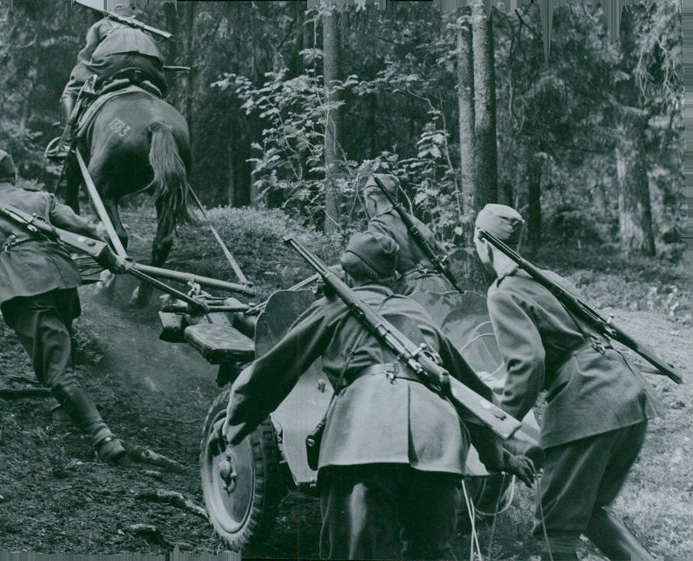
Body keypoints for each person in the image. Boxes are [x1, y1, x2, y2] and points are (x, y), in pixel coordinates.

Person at [210, 231, 535, 560]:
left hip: (363, 440)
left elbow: (277, 367)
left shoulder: (334, 307)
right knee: (431, 553)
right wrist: (498, 457)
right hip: (437, 444)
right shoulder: (417, 312)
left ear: (347, 272)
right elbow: (469, 391)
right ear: (394, 276)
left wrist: (235, 419)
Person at [473, 203, 661, 561]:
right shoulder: (549, 278)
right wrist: (500, 382)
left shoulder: (502, 292)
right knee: (589, 511)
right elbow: (568, 340)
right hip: (626, 392)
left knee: (554, 529)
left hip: (588, 403)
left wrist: (498, 424)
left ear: (483, 243)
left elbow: (529, 364)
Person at [0, 149, 126, 464]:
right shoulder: (41, 198)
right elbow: (83, 228)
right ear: (14, 178)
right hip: (63, 278)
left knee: (56, 368)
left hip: (27, 285)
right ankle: (64, 409)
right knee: (62, 349)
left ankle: (103, 438)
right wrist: (112, 255)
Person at [53, 0, 167, 157]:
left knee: (71, 90)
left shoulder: (101, 24)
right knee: (160, 93)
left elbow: (87, 56)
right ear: (131, 11)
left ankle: (66, 142)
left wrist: (83, 71)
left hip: (113, 60)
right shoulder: (142, 28)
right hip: (149, 64)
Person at [363, 173, 453, 296]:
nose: (367, 207)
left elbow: (380, 271)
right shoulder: (415, 222)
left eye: (366, 201)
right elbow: (444, 256)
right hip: (440, 286)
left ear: (372, 197)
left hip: (410, 293)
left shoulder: (377, 224)